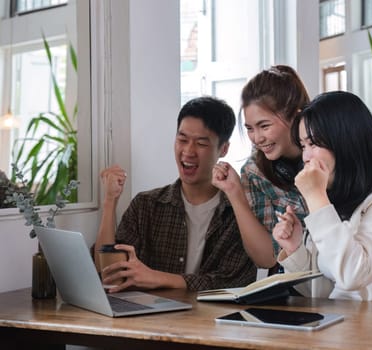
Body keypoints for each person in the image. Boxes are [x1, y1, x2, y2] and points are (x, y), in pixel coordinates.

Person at [273, 91, 372, 304]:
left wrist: (316, 197)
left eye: (314, 144)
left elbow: (352, 276)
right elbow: (322, 293)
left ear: (345, 142)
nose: (306, 157)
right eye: (303, 146)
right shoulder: (339, 201)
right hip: (344, 329)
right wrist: (295, 249)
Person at [95, 96, 257, 293]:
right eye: (182, 139)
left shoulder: (238, 214)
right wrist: (110, 201)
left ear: (223, 149)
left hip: (212, 320)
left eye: (201, 143)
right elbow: (108, 273)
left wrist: (158, 278)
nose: (188, 151)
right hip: (149, 319)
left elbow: (232, 282)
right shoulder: (146, 205)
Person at [212, 65, 310, 270]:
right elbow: (267, 259)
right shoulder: (254, 172)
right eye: (249, 128)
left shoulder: (328, 158)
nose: (257, 138)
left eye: (264, 126)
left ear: (295, 117)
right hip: (299, 286)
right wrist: (235, 193)